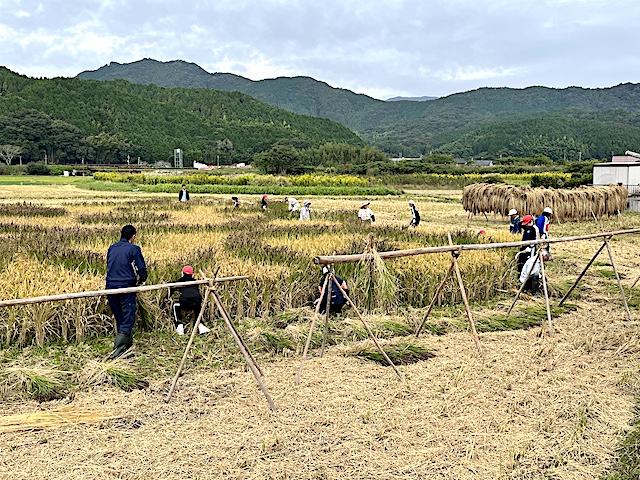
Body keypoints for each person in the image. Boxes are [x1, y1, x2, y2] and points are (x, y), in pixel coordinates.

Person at [106, 225, 147, 359]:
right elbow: (141, 268)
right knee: (128, 318)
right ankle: (117, 352)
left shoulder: (112, 248)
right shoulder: (134, 249)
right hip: (126, 286)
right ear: (133, 237)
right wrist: (142, 280)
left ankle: (127, 349)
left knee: (120, 317)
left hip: (110, 286)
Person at [164, 265, 210, 336]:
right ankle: (200, 325)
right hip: (197, 302)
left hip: (185, 303)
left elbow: (171, 290)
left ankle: (179, 326)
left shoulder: (180, 281)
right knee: (198, 305)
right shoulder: (195, 282)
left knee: (175, 305)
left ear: (182, 273)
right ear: (192, 274)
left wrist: (165, 299)